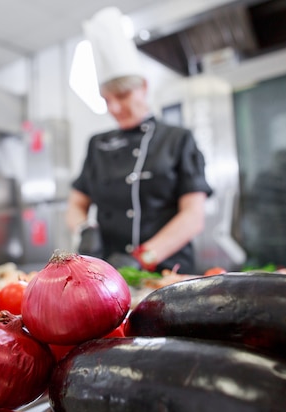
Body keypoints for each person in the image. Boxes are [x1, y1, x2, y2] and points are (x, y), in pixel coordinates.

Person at [65, 7, 213, 274]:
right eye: (106, 100)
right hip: (109, 274)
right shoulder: (97, 143)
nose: (114, 108)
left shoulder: (178, 139)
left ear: (143, 87)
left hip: (168, 271)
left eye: (121, 96)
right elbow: (76, 203)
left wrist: (143, 257)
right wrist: (83, 228)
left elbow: (193, 216)